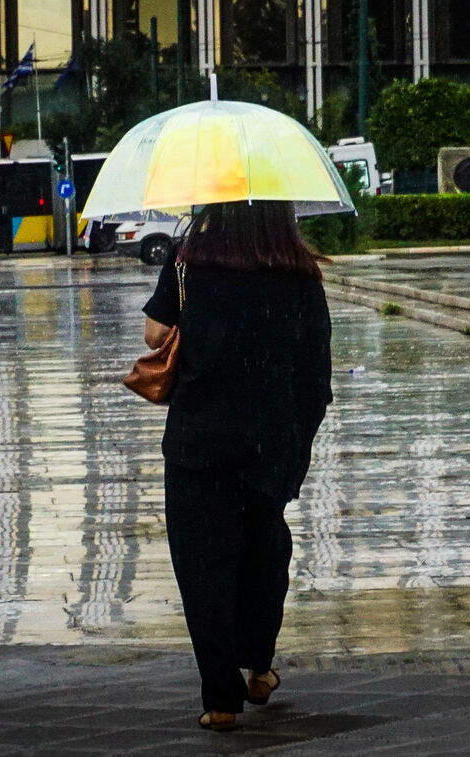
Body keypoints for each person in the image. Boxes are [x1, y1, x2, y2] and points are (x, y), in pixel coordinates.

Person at [141, 200, 333, 732]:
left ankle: (220, 698)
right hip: (269, 442)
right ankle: (260, 665)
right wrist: (297, 440)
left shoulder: (187, 263)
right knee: (264, 554)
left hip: (196, 442)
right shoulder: (299, 275)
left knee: (202, 566)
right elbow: (316, 372)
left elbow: (154, 337)